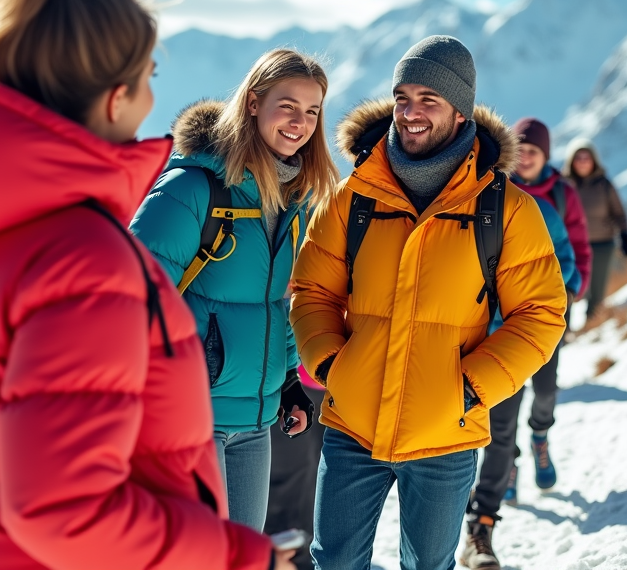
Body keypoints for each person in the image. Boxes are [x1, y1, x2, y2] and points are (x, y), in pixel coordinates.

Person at [0, 0, 289, 570]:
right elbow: (65, 511)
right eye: (149, 80)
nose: (151, 104)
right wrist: (232, 555)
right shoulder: (81, 260)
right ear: (116, 97)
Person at [290, 35, 568, 570]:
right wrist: (331, 364)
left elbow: (541, 313)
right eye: (402, 97)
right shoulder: (354, 197)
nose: (410, 113)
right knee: (335, 562)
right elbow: (313, 289)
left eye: (428, 99)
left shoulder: (506, 209)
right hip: (353, 427)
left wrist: (470, 387)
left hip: (446, 434)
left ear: (460, 112)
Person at [130, 49, 339, 531]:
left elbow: (276, 304)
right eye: (287, 105)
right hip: (189, 414)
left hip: (255, 418)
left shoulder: (293, 199)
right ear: (252, 103)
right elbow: (133, 293)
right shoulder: (194, 188)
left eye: (312, 111)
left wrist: (287, 382)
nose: (300, 122)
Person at [462, 199, 581, 570]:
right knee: (456, 437)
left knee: (500, 431)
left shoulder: (532, 209)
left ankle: (481, 526)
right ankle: (454, 517)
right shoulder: (450, 202)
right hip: (452, 344)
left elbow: (566, 257)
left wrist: (556, 296)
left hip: (510, 343)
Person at [508, 117, 592, 491]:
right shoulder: (498, 187)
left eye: (533, 152)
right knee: (506, 389)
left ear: (545, 156)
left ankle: (540, 438)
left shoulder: (562, 194)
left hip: (551, 307)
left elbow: (579, 246)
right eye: (520, 150)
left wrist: (573, 289)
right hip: (501, 310)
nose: (525, 158)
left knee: (545, 387)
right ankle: (504, 461)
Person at [264, 364, 326, 570]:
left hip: (339, 384)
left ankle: (300, 555)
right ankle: (289, 559)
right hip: (291, 382)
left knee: (318, 477)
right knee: (288, 479)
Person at [564, 138, 627, 320]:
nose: (583, 161)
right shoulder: (564, 185)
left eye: (587, 157)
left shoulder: (604, 185)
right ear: (572, 161)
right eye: (578, 158)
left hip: (602, 244)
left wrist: (625, 234)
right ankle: (565, 328)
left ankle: (591, 324)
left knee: (597, 289)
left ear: (594, 160)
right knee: (568, 286)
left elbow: (619, 212)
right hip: (572, 246)